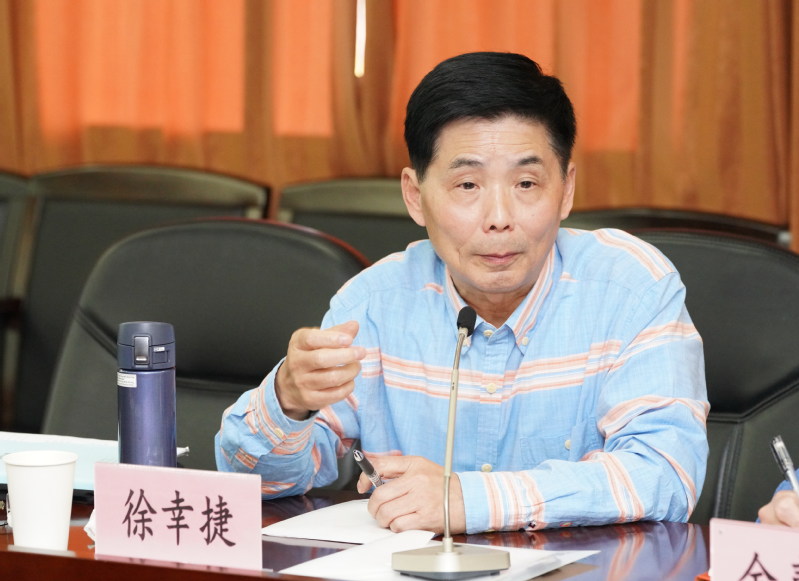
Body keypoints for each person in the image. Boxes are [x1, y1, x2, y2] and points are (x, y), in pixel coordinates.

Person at [216, 51, 709, 534]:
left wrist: (468, 500)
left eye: (526, 183)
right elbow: (259, 485)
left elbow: (666, 474)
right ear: (415, 196)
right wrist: (289, 401)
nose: (499, 218)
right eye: (468, 185)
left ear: (567, 189)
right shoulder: (373, 304)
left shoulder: (630, 288)